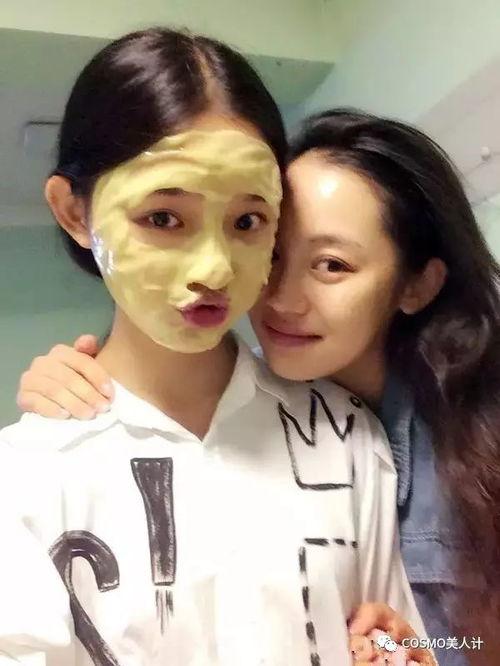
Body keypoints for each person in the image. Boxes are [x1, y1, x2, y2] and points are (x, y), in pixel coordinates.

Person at [0, 30, 429, 666]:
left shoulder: (346, 437)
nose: (214, 270)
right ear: (75, 213)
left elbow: (410, 640)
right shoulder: (23, 477)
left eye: (247, 222)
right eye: (163, 218)